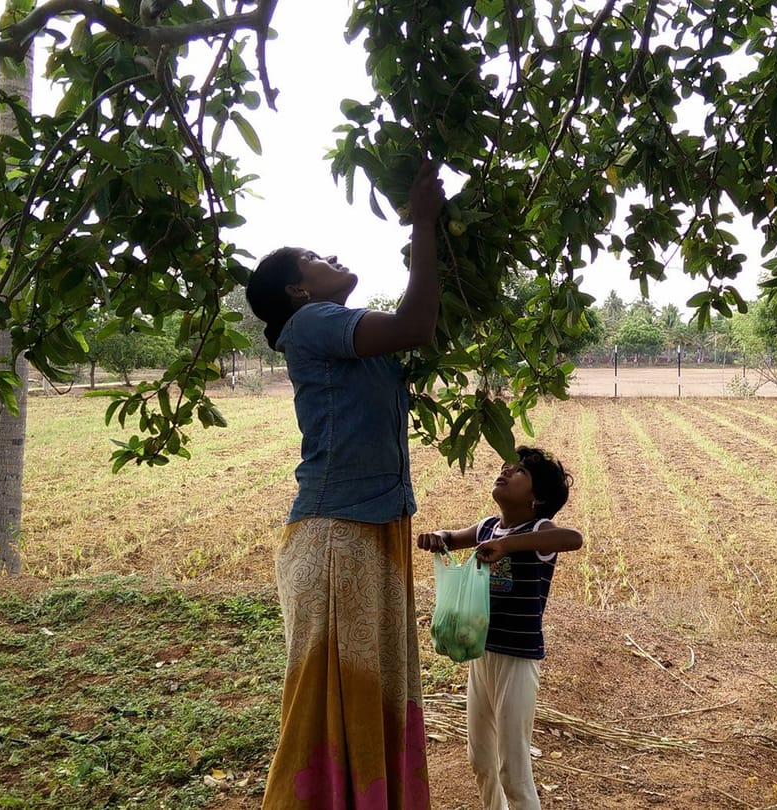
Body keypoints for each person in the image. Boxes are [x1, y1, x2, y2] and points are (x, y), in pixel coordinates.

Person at [246, 160, 445, 809]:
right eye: (313, 256)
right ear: (299, 292)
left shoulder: (338, 327)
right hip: (340, 536)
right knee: (332, 703)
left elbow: (420, 322)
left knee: (372, 689)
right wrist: (424, 225)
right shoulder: (314, 323)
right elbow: (417, 326)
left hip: (368, 528)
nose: (329, 255)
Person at [416, 446, 583, 810]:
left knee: (513, 770)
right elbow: (451, 535)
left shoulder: (539, 530)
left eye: (519, 471)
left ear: (536, 498)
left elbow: (572, 538)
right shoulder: (489, 526)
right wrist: (438, 537)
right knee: (480, 760)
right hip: (483, 654)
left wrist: (507, 546)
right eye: (507, 465)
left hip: (518, 660)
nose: (506, 471)